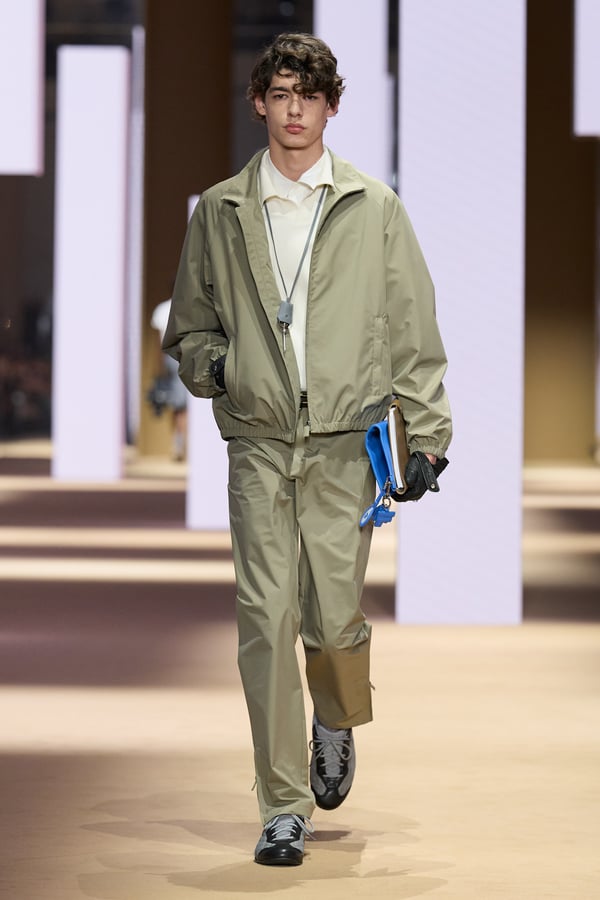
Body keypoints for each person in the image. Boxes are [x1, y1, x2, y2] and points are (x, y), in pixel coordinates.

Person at [163, 32, 452, 866]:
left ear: (330, 107)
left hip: (343, 443)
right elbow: (189, 328)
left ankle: (334, 714)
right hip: (258, 441)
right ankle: (283, 806)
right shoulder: (221, 211)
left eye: (310, 96)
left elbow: (412, 326)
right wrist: (227, 370)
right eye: (282, 94)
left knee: (331, 620)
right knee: (265, 618)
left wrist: (428, 435)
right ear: (260, 102)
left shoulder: (374, 207)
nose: (295, 110)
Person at [150, 298, 188, 461]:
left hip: (171, 358)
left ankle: (179, 443)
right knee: (181, 404)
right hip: (185, 356)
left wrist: (160, 366)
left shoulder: (162, 309)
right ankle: (181, 443)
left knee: (178, 405)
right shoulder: (186, 306)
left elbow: (160, 342)